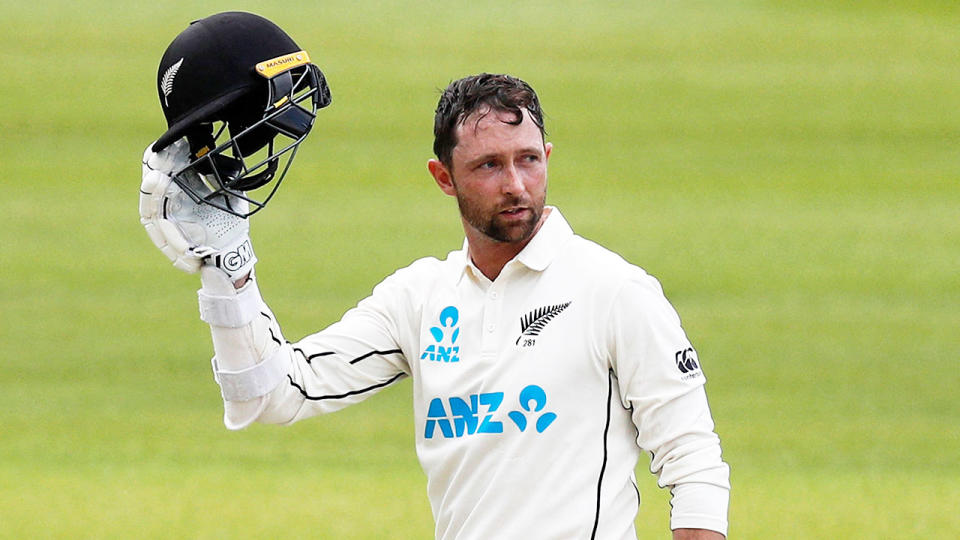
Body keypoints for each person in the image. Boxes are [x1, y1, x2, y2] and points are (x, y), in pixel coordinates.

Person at [140, 13, 730, 540]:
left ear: (548, 156)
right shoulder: (418, 300)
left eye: (528, 159)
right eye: (488, 166)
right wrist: (230, 267)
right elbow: (271, 396)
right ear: (443, 178)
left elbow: (692, 458)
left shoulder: (613, 290)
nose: (516, 184)